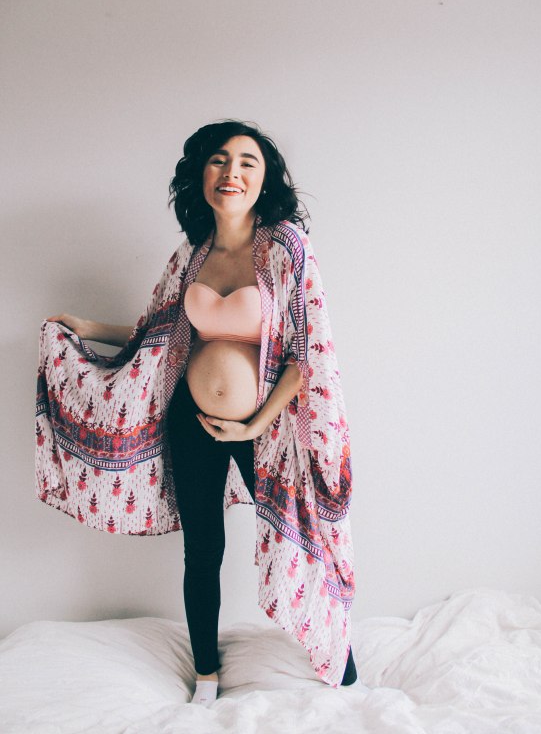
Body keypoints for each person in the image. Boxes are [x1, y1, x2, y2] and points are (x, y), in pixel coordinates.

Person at [43, 120, 367, 707]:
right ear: (201, 174)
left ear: (265, 179)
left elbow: (309, 353)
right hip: (191, 423)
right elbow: (155, 335)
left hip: (266, 430)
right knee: (204, 547)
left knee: (306, 535)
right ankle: (206, 675)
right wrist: (88, 327)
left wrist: (256, 423)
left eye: (247, 162)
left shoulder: (285, 248)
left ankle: (340, 661)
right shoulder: (191, 255)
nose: (231, 172)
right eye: (219, 160)